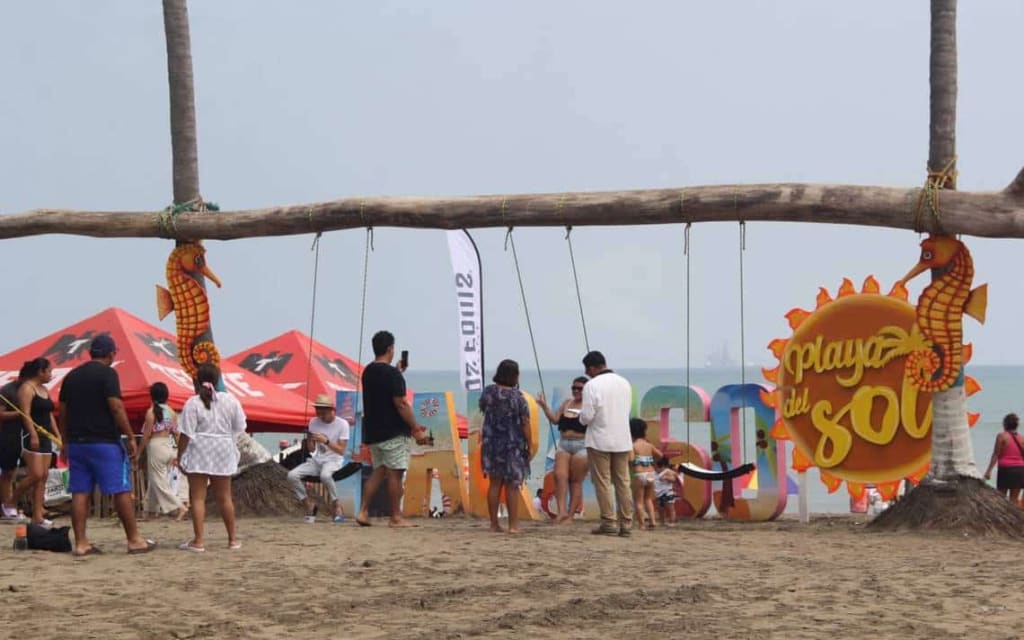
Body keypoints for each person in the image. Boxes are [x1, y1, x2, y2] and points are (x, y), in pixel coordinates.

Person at [58, 335, 156, 556]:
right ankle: (134, 540)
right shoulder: (108, 374)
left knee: (80, 492)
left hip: (77, 443)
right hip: (104, 443)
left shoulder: (71, 376)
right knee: (120, 489)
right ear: (110, 353)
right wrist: (131, 436)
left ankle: (81, 544)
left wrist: (65, 440)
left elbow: (62, 412)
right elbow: (116, 407)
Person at [355, 331, 429, 528]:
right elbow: (401, 404)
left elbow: (382, 386)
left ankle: (363, 511)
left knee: (378, 471)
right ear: (390, 349)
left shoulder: (368, 371)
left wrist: (397, 370)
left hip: (373, 432)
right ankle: (396, 517)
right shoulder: (392, 375)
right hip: (393, 431)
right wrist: (415, 428)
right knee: (395, 474)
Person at [175, 363, 247, 552]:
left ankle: (199, 541)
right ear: (218, 379)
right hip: (223, 448)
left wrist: (179, 454)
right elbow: (241, 426)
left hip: (200, 449)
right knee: (225, 497)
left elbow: (186, 433)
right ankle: (232, 540)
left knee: (197, 497)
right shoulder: (230, 401)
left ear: (197, 380)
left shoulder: (193, 403)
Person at [578, 350, 634, 537]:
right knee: (623, 482)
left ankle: (609, 522)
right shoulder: (624, 383)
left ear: (592, 368)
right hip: (622, 438)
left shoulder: (591, 386)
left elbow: (587, 417)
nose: (587, 374)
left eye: (588, 370)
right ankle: (626, 523)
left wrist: (579, 417)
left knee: (603, 482)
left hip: (599, 439)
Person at [479, 359, 532, 534]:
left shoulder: (488, 393)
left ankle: (494, 524)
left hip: (491, 443)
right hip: (512, 444)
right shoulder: (518, 397)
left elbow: (482, 409)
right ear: (515, 376)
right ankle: (513, 525)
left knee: (495, 483)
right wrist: (529, 444)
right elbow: (525, 422)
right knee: (512, 485)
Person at [287, 393, 350, 524]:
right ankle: (308, 504)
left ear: (331, 410)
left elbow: (341, 450)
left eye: (323, 410)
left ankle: (336, 506)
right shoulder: (313, 422)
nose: (320, 413)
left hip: (333, 460)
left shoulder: (342, 424)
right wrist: (309, 440)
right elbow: (312, 450)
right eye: (317, 409)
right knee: (292, 475)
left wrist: (326, 441)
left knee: (325, 476)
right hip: (317, 460)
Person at [536, 376, 589, 524]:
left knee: (575, 481)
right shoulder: (567, 403)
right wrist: (544, 406)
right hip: (564, 443)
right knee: (560, 477)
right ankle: (561, 512)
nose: (576, 391)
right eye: (574, 388)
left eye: (580, 388)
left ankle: (571, 515)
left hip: (582, 444)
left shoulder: (589, 405)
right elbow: (554, 419)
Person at [12, 358, 58, 527]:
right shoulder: (27, 388)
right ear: (40, 371)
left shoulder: (44, 389)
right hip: (30, 435)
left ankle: (37, 515)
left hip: (46, 435)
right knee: (36, 474)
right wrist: (33, 434)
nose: (51, 375)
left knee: (43, 477)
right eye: (49, 371)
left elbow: (50, 414)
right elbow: (25, 414)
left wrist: (57, 434)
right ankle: (11, 501)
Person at [137, 382, 186, 521]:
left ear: (152, 396)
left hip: (156, 446)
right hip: (168, 447)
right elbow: (176, 434)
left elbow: (146, 435)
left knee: (158, 481)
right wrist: (180, 453)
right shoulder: (171, 412)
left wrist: (139, 452)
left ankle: (179, 506)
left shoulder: (151, 412)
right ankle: (150, 510)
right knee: (155, 479)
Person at [0, 371, 26, 520]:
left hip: (28, 436)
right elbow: (1, 414)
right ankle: (6, 506)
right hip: (9, 436)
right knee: (8, 473)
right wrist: (21, 414)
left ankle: (37, 506)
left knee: (37, 473)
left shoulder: (36, 388)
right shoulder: (7, 390)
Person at [984, 413, 1024, 504]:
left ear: (1005, 424)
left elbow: (996, 454)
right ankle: (1015, 518)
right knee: (1014, 499)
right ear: (1016, 425)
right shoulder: (1022, 438)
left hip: (1006, 470)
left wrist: (989, 471)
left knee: (1001, 498)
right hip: (1020, 470)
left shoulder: (1001, 436)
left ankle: (1002, 517)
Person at [630, 418, 662, 530]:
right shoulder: (649, 445)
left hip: (639, 474)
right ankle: (653, 521)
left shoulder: (633, 446)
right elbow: (660, 455)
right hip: (651, 473)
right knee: (648, 499)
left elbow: (631, 459)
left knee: (638, 501)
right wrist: (649, 459)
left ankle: (642, 524)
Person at [653, 456, 679, 527]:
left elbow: (673, 479)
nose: (656, 469)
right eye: (655, 468)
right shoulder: (655, 473)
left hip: (667, 492)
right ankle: (662, 521)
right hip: (659, 493)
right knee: (660, 508)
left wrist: (666, 477)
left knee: (670, 508)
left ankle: (672, 521)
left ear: (663, 466)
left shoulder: (667, 471)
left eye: (658, 468)